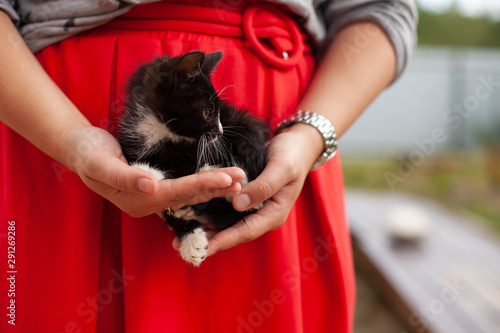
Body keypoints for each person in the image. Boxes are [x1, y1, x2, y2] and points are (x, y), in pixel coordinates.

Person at [0, 1, 417, 332]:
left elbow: (382, 9)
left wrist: (309, 136)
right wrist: (70, 139)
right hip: (52, 118)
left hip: (283, 139)